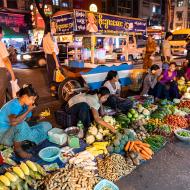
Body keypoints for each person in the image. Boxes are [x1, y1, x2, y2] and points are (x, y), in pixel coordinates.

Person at [0, 84, 52, 159]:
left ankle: (27, 141)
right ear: (24, 96)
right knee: (22, 125)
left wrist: (37, 118)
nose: (33, 102)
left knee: (47, 125)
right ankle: (18, 149)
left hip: (15, 132)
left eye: (34, 99)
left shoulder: (25, 105)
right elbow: (14, 122)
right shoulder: (13, 105)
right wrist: (28, 110)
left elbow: (27, 120)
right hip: (4, 136)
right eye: (32, 99)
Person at [0, 26, 16, 108]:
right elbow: (6, 60)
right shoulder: (0, 43)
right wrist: (12, 74)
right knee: (1, 97)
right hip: (1, 72)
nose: (4, 33)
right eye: (2, 32)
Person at [43, 23, 60, 95]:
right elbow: (53, 51)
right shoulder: (51, 37)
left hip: (49, 57)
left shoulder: (45, 37)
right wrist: (56, 63)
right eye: (53, 27)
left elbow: (45, 50)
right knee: (57, 74)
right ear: (50, 29)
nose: (55, 28)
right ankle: (57, 91)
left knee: (51, 75)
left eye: (55, 26)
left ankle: (53, 92)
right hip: (53, 57)